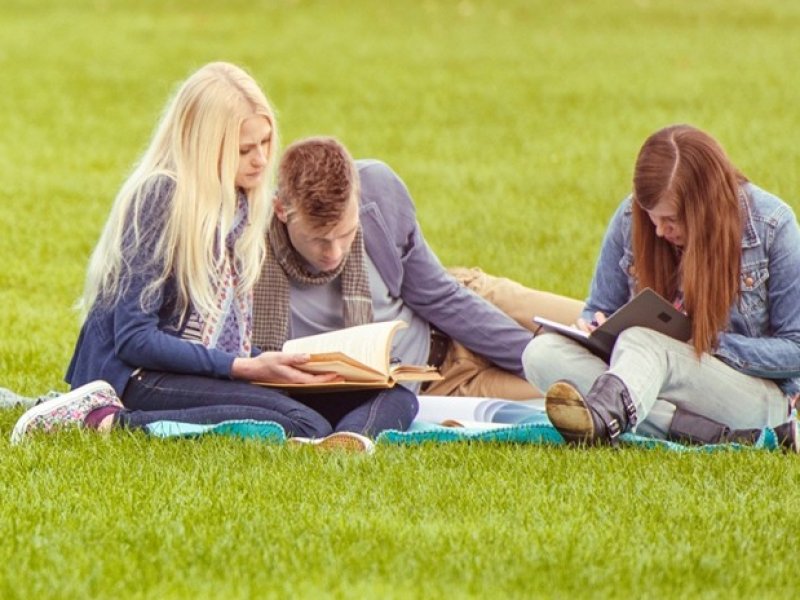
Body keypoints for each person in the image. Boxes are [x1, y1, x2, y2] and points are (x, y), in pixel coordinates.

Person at [11, 62, 417, 453]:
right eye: (244, 149)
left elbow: (225, 343)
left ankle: (344, 445)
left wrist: (287, 364)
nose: (261, 159)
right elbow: (135, 339)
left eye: (264, 143)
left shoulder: (239, 207)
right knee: (299, 421)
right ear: (208, 149)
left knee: (396, 394)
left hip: (198, 369)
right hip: (136, 376)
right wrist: (245, 367)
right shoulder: (161, 197)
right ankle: (100, 419)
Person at [523, 124, 800, 450]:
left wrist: (705, 342)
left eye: (670, 220)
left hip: (749, 395)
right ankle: (700, 433)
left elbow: (795, 348)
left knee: (643, 341)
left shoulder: (771, 226)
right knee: (539, 354)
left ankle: (602, 420)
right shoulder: (630, 217)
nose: (657, 231)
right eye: (652, 217)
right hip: (644, 378)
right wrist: (593, 328)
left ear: (704, 207)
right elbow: (599, 307)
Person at [251, 136, 584, 402]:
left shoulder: (377, 192)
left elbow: (440, 298)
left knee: (605, 330)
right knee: (584, 390)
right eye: (319, 240)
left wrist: (535, 358)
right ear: (281, 210)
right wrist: (552, 369)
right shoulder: (248, 255)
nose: (334, 253)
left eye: (346, 234)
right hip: (438, 384)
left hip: (471, 302)